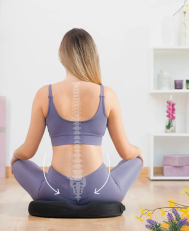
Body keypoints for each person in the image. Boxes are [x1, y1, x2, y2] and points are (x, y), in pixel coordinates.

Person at [11, 28, 143, 206]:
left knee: (18, 164)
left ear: (61, 56)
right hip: (102, 191)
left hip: (53, 192)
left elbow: (28, 151)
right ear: (92, 55)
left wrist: (15, 155)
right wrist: (138, 151)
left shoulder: (44, 94)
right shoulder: (107, 94)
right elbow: (126, 153)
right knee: (135, 161)